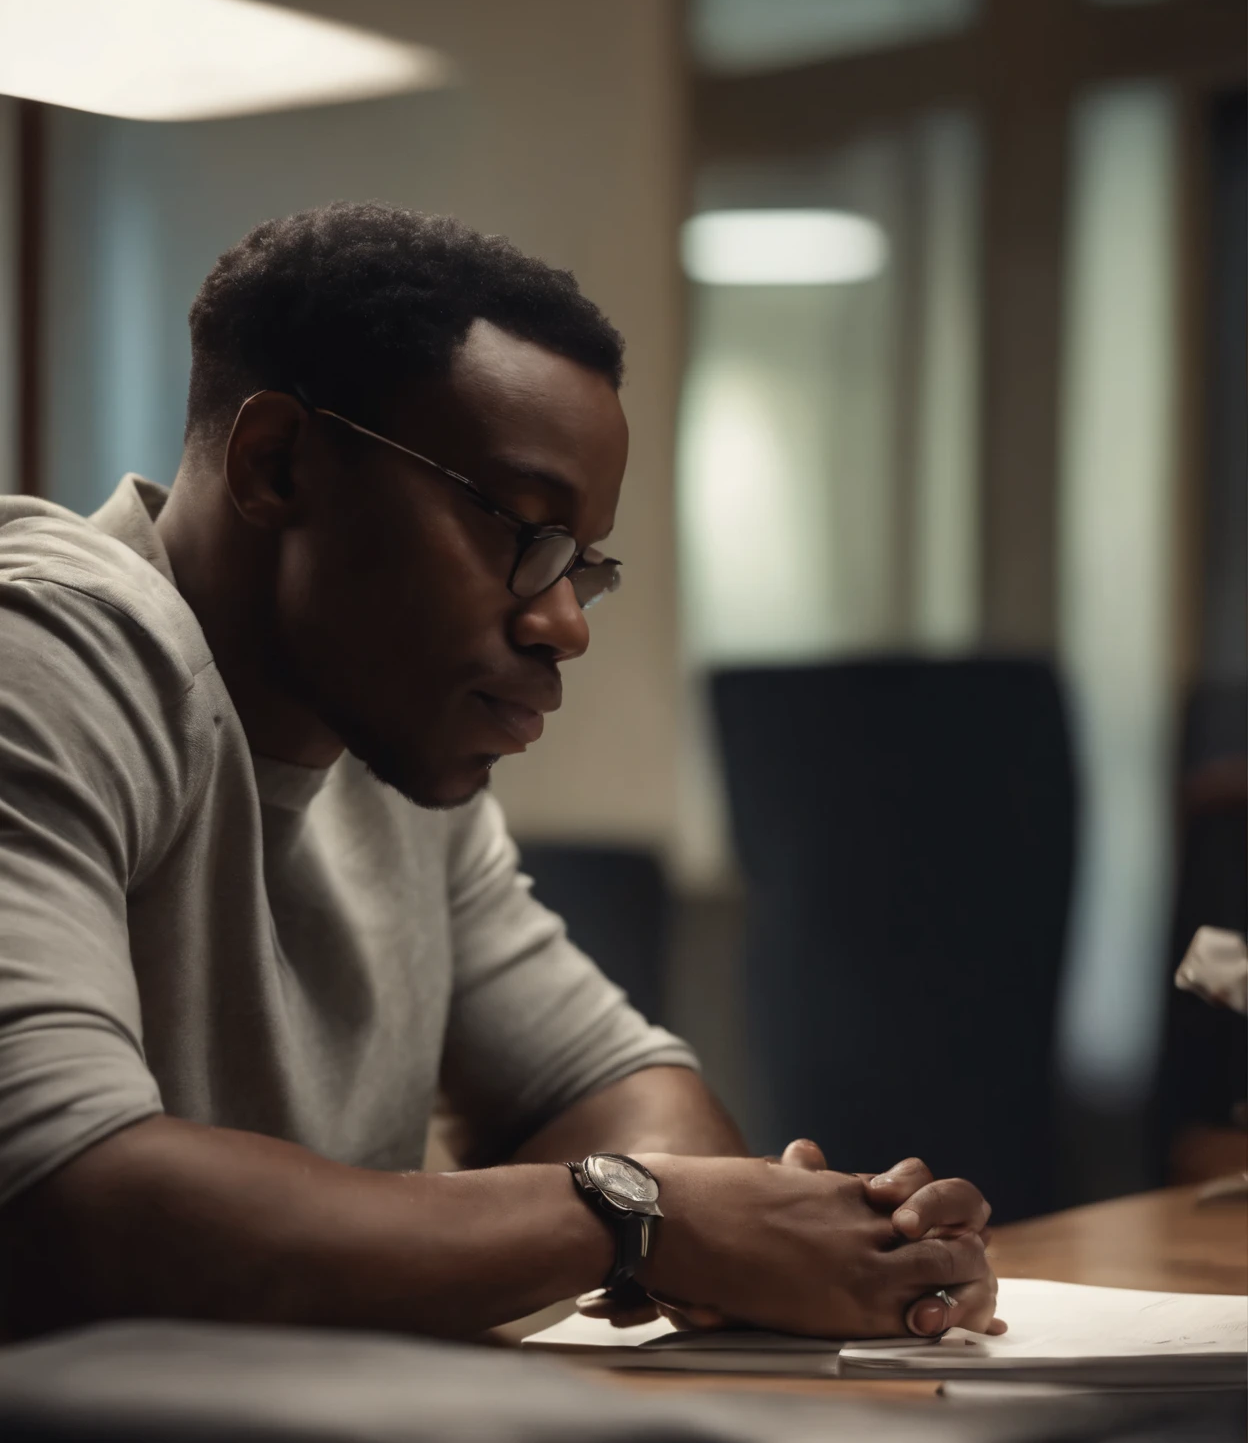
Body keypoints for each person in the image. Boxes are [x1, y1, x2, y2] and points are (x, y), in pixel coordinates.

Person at [0, 204, 1001, 1345]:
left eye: (584, 564)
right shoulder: (47, 650)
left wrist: (794, 1231)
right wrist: (648, 1216)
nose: (566, 624)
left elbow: (610, 1087)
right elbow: (64, 1200)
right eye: (522, 529)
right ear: (277, 464)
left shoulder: (388, 745)